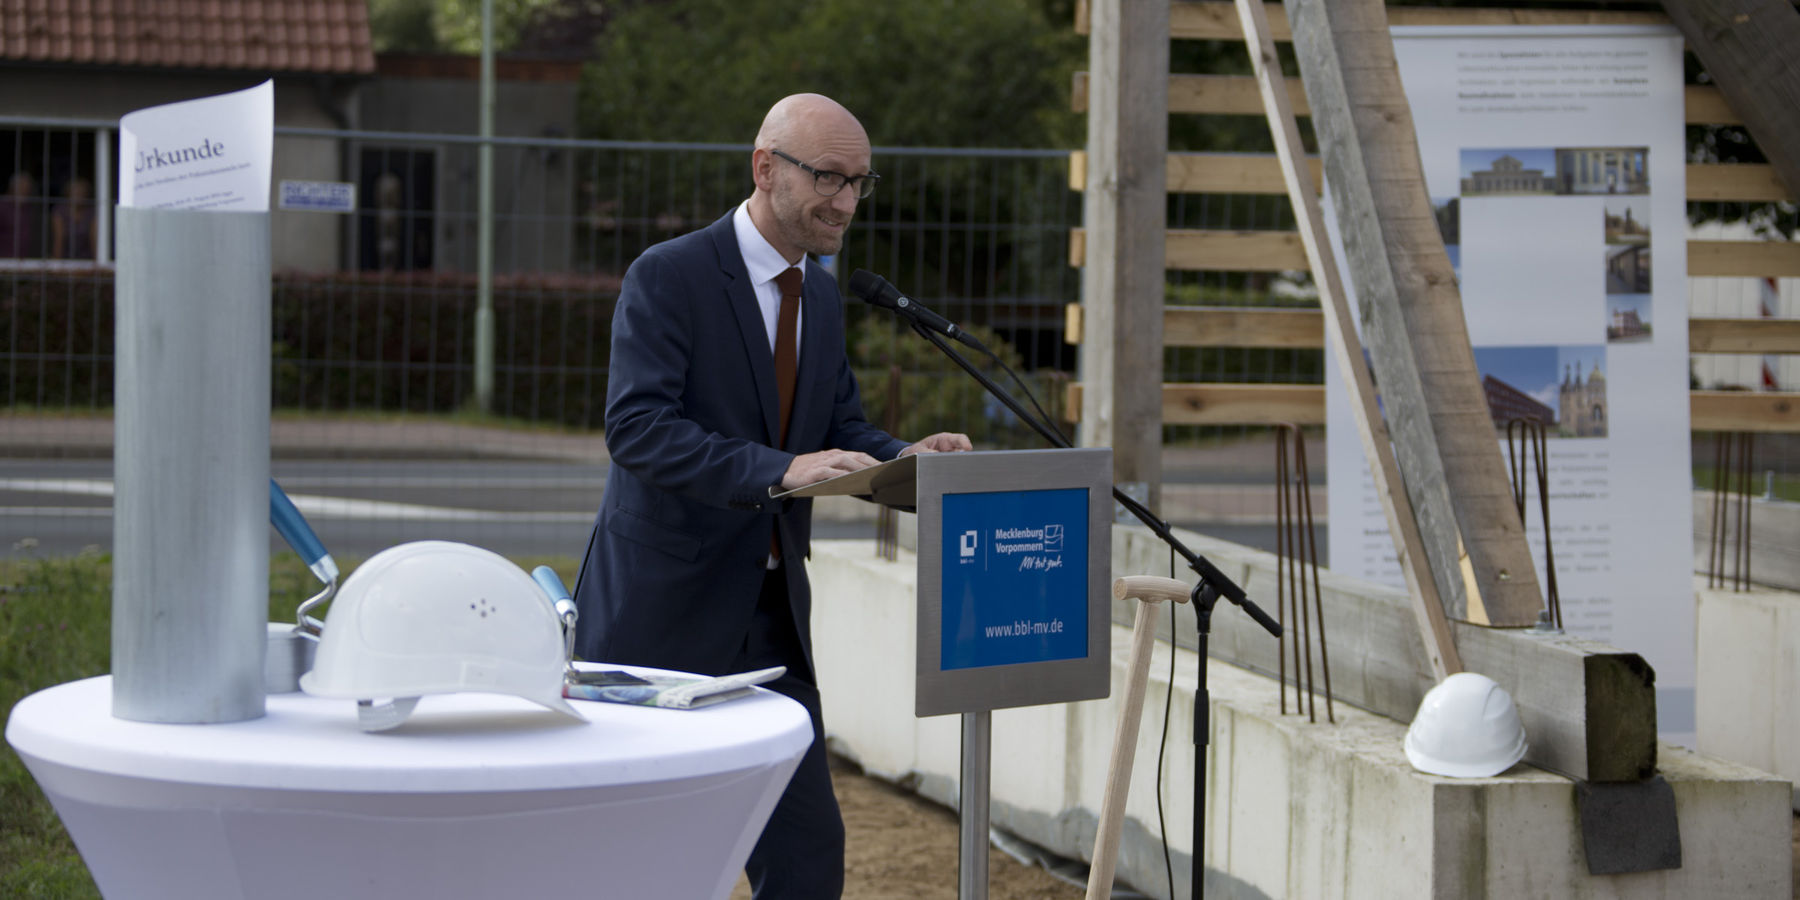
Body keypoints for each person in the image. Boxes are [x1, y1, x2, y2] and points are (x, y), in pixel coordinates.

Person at [572, 93, 971, 899]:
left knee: (806, 855)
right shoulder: (670, 275)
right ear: (765, 168)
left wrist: (907, 458)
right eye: (829, 177)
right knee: (644, 859)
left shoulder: (820, 296)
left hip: (772, 623)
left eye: (861, 183)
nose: (847, 203)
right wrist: (775, 469)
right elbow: (638, 429)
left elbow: (839, 424)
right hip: (660, 621)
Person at [49, 176, 97, 261]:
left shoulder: (92, 213)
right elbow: (59, 240)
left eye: (82, 193)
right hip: (65, 261)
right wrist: (56, 265)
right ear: (68, 194)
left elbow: (94, 241)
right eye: (76, 193)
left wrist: (97, 264)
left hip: (87, 261)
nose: (78, 196)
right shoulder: (60, 212)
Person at [0, 171, 40, 258]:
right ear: (12, 188)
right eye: (21, 188)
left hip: (25, 260)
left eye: (27, 189)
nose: (25, 191)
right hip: (4, 260)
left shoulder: (29, 207)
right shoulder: (2, 206)